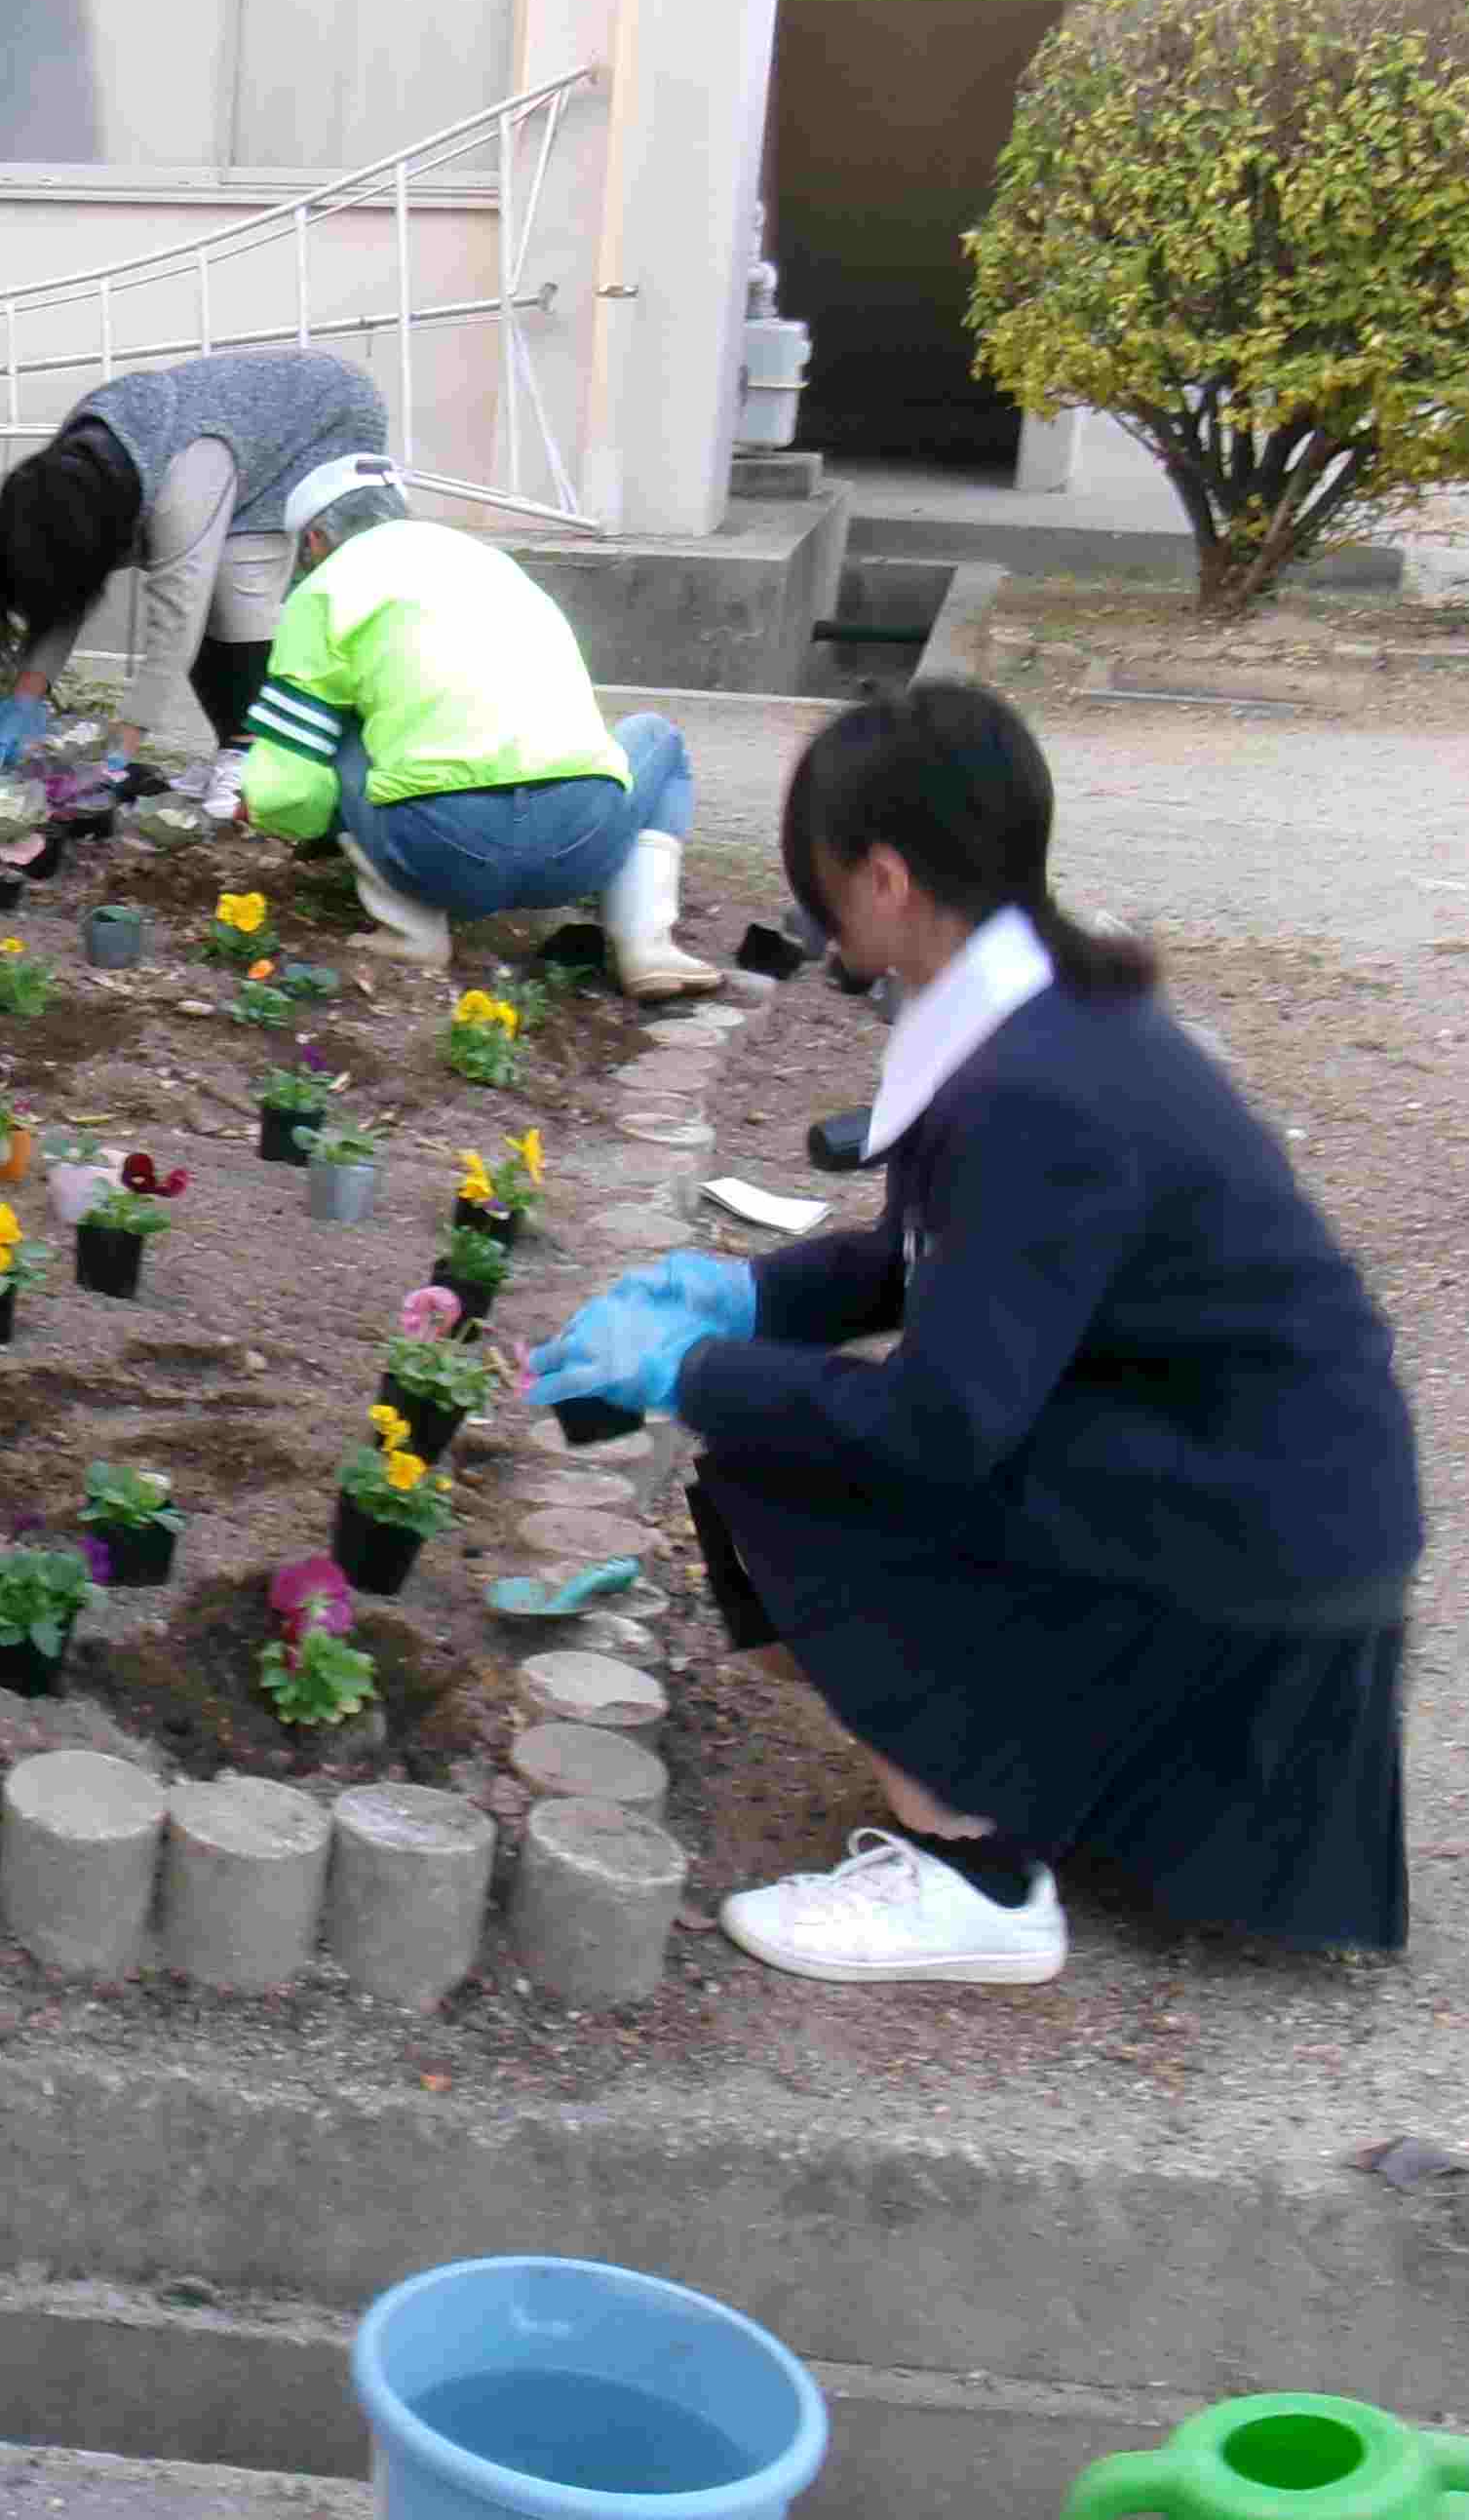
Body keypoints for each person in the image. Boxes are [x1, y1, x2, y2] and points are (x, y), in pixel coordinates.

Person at [525, 683, 1419, 1988]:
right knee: (787, 1421)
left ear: (884, 877)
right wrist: (740, 1295)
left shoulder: (1037, 1093)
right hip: (1263, 1498)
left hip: (1261, 1552)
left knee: (789, 1466)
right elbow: (923, 1258)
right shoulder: (1053, 1011)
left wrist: (699, 1372)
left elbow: (945, 1429)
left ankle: (978, 1880)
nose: (819, 911)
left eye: (825, 878)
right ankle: (1036, 1761)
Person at [231, 455, 718, 999]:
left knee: (332, 730)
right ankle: (646, 943)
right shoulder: (492, 563)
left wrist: (266, 804)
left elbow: (288, 789)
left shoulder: (321, 593)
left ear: (316, 540)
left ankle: (411, 930)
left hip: (443, 854)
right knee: (660, 740)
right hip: (580, 846)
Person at [0, 345, 396, 805]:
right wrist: (23, 700)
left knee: (237, 598)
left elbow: (177, 619)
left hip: (319, 421)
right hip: (240, 437)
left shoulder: (185, 480)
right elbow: (65, 588)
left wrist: (121, 751)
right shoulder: (69, 476)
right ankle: (234, 748)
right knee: (209, 591)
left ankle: (247, 757)